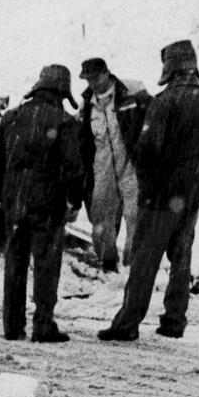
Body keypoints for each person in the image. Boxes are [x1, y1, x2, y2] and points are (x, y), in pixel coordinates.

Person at [99, 40, 199, 341]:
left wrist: (151, 178)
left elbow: (147, 149)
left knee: (145, 259)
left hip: (161, 195)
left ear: (170, 68)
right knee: (181, 259)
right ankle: (175, 320)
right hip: (192, 194)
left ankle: (128, 323)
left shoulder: (164, 102)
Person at [0, 64, 86, 343]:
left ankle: (12, 325)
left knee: (15, 262)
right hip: (47, 204)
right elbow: (73, 168)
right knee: (46, 264)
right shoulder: (65, 122)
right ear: (62, 92)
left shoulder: (12, 117)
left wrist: (0, 194)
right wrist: (73, 201)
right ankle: (43, 326)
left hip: (15, 202)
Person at [76, 57, 150, 274]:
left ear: (107, 73)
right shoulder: (87, 102)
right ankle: (108, 263)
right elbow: (82, 136)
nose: (92, 83)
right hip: (102, 165)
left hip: (131, 163)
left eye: (96, 77)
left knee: (135, 213)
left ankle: (134, 264)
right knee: (100, 215)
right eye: (88, 79)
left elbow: (154, 118)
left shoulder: (133, 91)